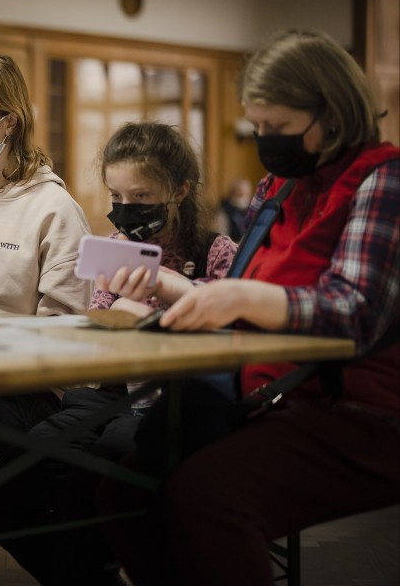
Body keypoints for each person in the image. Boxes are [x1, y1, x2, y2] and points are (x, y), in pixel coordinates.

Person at [96, 29, 399, 586]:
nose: (263, 140)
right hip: (271, 396)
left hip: (359, 411)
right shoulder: (278, 188)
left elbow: (354, 312)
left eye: (278, 128)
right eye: (257, 126)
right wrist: (179, 295)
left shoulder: (383, 180)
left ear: (331, 113)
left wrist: (243, 297)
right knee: (125, 488)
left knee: (207, 496)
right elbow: (239, 301)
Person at [0, 121, 237, 585]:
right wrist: (111, 317)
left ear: (180, 190)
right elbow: (96, 325)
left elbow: (231, 333)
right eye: (117, 198)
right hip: (110, 391)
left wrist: (161, 304)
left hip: (177, 396)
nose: (126, 210)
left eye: (142, 198)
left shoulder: (216, 252)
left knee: (90, 486)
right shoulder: (114, 249)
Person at [213, 176, 252, 241]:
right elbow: (221, 236)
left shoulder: (253, 210)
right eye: (239, 192)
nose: (241, 194)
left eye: (244, 192)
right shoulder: (224, 211)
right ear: (232, 192)